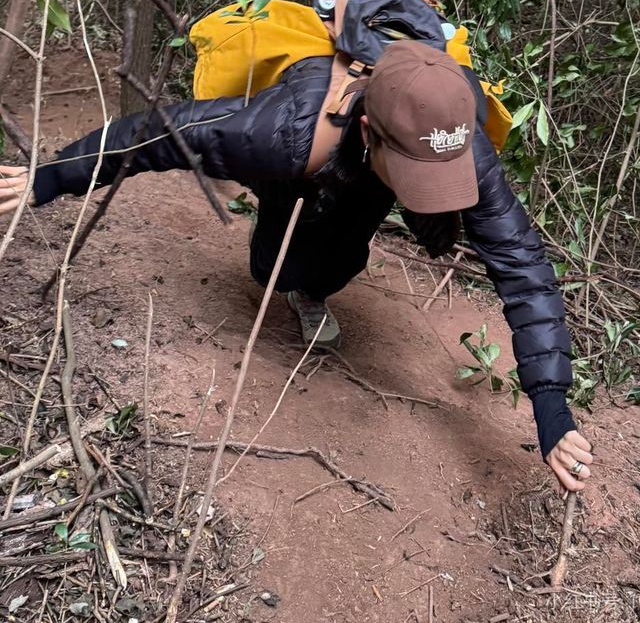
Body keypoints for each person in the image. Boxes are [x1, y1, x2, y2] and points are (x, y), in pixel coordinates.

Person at [0, 39, 592, 491]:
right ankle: (286, 264)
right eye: (422, 178)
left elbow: (523, 267)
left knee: (343, 251)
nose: (429, 192)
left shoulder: (456, 138)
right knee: (276, 265)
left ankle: (315, 289)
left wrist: (551, 411)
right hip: (303, 160)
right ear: (368, 129)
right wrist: (51, 177)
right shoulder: (279, 131)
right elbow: (163, 131)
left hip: (368, 169)